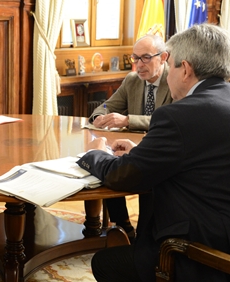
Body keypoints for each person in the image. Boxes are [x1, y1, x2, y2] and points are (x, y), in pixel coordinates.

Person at [78, 23, 230, 282]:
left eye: (169, 65)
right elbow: (200, 159)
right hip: (221, 227)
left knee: (105, 262)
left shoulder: (179, 115)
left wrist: (95, 153)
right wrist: (142, 152)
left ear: (186, 70)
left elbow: (123, 175)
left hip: (200, 250)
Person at [88, 34, 173, 240]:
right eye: (135, 58)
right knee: (107, 168)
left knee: (151, 180)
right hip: (130, 148)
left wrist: (128, 120)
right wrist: (100, 115)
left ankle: (145, 235)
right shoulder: (132, 80)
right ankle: (124, 226)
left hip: (161, 150)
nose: (138, 65)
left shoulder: (174, 80)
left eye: (145, 58)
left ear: (163, 57)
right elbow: (109, 105)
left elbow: (169, 121)